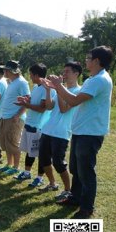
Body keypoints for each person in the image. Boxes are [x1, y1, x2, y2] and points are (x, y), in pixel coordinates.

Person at [45, 46, 113, 219]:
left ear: (97, 61)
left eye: (89, 58)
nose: (86, 60)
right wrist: (57, 87)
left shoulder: (100, 80)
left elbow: (73, 101)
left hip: (90, 133)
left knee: (86, 171)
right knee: (76, 168)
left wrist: (58, 86)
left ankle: (87, 208)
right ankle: (75, 197)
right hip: (81, 131)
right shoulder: (94, 78)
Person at [37, 62, 82, 196]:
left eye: (67, 71)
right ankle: (52, 183)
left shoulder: (77, 92)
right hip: (48, 129)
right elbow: (50, 107)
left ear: (76, 74)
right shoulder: (61, 89)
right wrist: (47, 90)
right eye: (64, 71)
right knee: (44, 159)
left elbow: (64, 109)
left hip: (61, 132)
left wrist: (58, 87)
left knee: (58, 162)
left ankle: (68, 190)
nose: (64, 74)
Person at [14, 63, 55, 187]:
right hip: (29, 123)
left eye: (31, 75)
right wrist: (25, 100)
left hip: (38, 126)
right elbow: (34, 102)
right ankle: (26, 172)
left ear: (37, 75)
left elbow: (42, 109)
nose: (30, 77)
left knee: (40, 153)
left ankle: (39, 177)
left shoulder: (47, 89)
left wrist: (26, 105)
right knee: (30, 151)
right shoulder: (37, 87)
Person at [0, 60, 30, 175]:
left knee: (13, 143)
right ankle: (9, 164)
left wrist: (17, 115)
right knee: (5, 142)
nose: (3, 71)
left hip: (14, 118)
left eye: (5, 69)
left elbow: (27, 99)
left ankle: (16, 167)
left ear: (11, 71)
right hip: (5, 116)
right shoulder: (11, 81)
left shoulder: (22, 82)